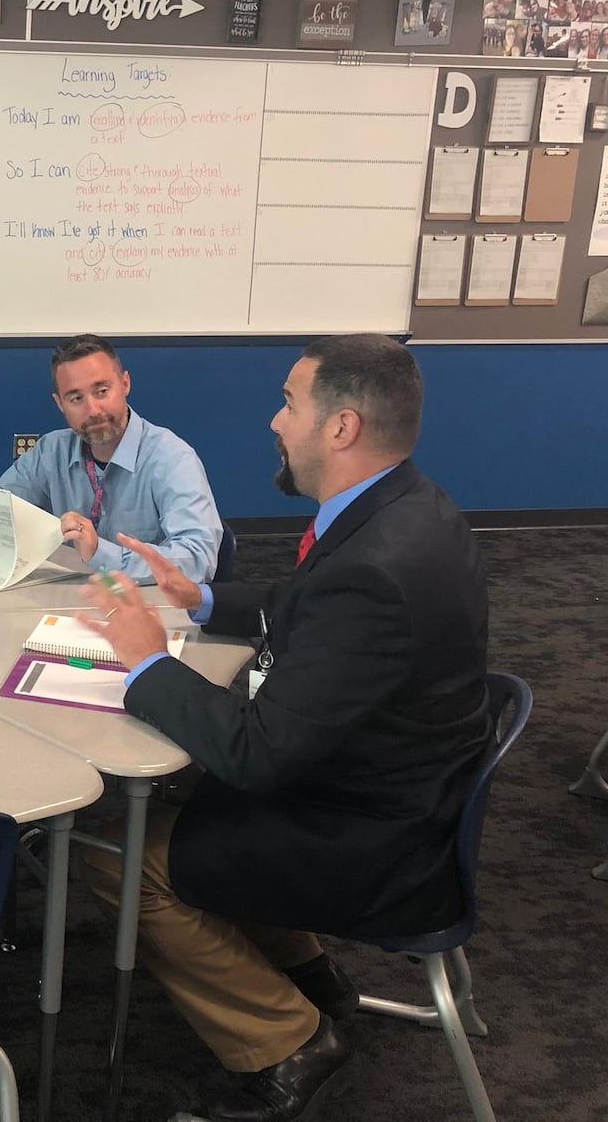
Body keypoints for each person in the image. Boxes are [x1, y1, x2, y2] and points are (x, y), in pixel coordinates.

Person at [75, 334, 490, 1122]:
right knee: (179, 799)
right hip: (394, 789)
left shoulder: (373, 566)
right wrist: (195, 598)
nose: (275, 421)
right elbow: (312, 604)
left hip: (374, 840)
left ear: (340, 428)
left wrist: (144, 663)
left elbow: (255, 754)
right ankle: (309, 977)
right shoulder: (410, 509)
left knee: (120, 854)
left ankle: (291, 1045)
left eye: (290, 403)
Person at [0, 334, 222, 585]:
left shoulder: (172, 458)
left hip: (145, 608)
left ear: (125, 384)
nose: (93, 409)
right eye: (76, 398)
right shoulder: (52, 450)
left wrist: (101, 552)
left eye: (102, 391)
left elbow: (199, 558)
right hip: (69, 600)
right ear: (60, 404)